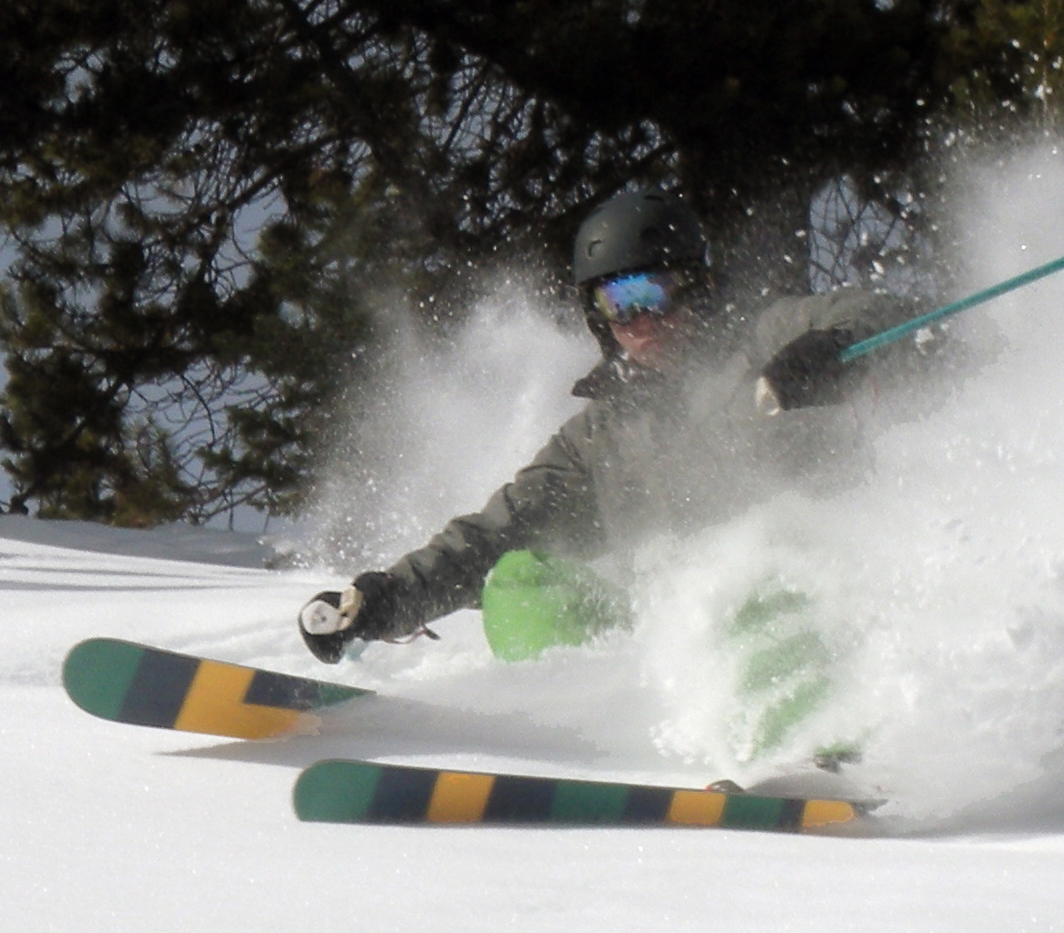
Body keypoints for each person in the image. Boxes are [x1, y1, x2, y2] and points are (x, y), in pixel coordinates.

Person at [299, 185, 926, 664]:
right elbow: (495, 534)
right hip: (675, 648)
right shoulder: (598, 437)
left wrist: (833, 349)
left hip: (817, 598)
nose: (636, 320)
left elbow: (890, 315)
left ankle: (809, 727)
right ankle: (587, 738)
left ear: (697, 286)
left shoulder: (763, 340)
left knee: (758, 580)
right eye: (614, 303)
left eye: (649, 293)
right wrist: (381, 600)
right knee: (519, 587)